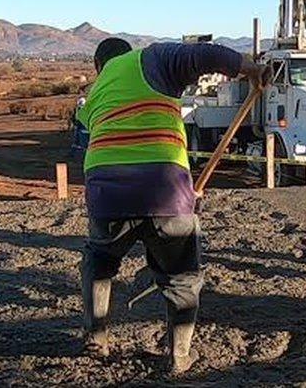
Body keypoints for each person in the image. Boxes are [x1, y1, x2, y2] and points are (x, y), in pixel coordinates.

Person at [76, 37, 267, 374]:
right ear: (127, 54)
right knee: (181, 278)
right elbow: (205, 55)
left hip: (106, 195)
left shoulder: (94, 94)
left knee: (99, 261)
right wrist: (252, 69)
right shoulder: (150, 60)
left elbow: (108, 136)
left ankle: (97, 338)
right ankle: (179, 356)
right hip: (163, 190)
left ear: (98, 67)